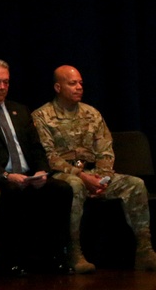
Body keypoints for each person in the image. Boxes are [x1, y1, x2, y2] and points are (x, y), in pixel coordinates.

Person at [32, 65, 156, 272]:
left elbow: (105, 150)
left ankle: (144, 250)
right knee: (74, 187)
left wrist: (102, 178)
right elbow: (49, 157)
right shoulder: (42, 116)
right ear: (57, 87)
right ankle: (74, 253)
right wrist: (82, 177)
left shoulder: (92, 114)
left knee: (135, 185)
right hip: (65, 175)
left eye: (80, 83)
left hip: (95, 174)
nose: (79, 87)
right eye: (72, 83)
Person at [0, 59, 73, 275]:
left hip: (28, 174)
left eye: (6, 82)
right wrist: (5, 175)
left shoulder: (20, 110)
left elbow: (37, 147)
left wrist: (41, 171)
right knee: (11, 192)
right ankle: (14, 259)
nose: (2, 87)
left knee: (61, 189)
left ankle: (54, 256)